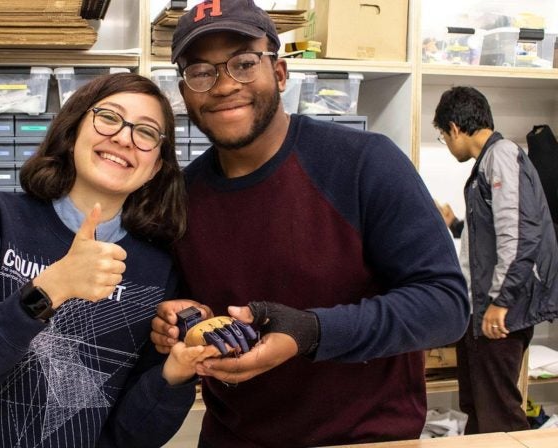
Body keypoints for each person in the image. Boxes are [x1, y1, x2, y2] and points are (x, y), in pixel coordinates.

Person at [149, 1, 471, 446]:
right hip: (234, 437)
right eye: (201, 71)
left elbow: (446, 306)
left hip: (366, 437)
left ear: (280, 73)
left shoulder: (364, 163)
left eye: (244, 63)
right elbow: (182, 307)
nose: (223, 86)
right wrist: (175, 317)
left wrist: (311, 332)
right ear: (184, 92)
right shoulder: (180, 198)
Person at [0, 73, 220, 447]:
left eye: (146, 132)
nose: (124, 137)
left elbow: (129, 437)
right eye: (109, 117)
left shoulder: (158, 268)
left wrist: (175, 373)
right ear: (73, 130)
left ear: (156, 165)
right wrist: (51, 288)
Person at [433, 86, 558, 434]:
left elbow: (519, 235)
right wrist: (456, 225)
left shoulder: (501, 155)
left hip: (501, 310)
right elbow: (492, 237)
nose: (446, 143)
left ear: (455, 128)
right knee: (479, 406)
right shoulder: (489, 162)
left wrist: (501, 303)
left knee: (499, 411)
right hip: (484, 306)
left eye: (443, 136)